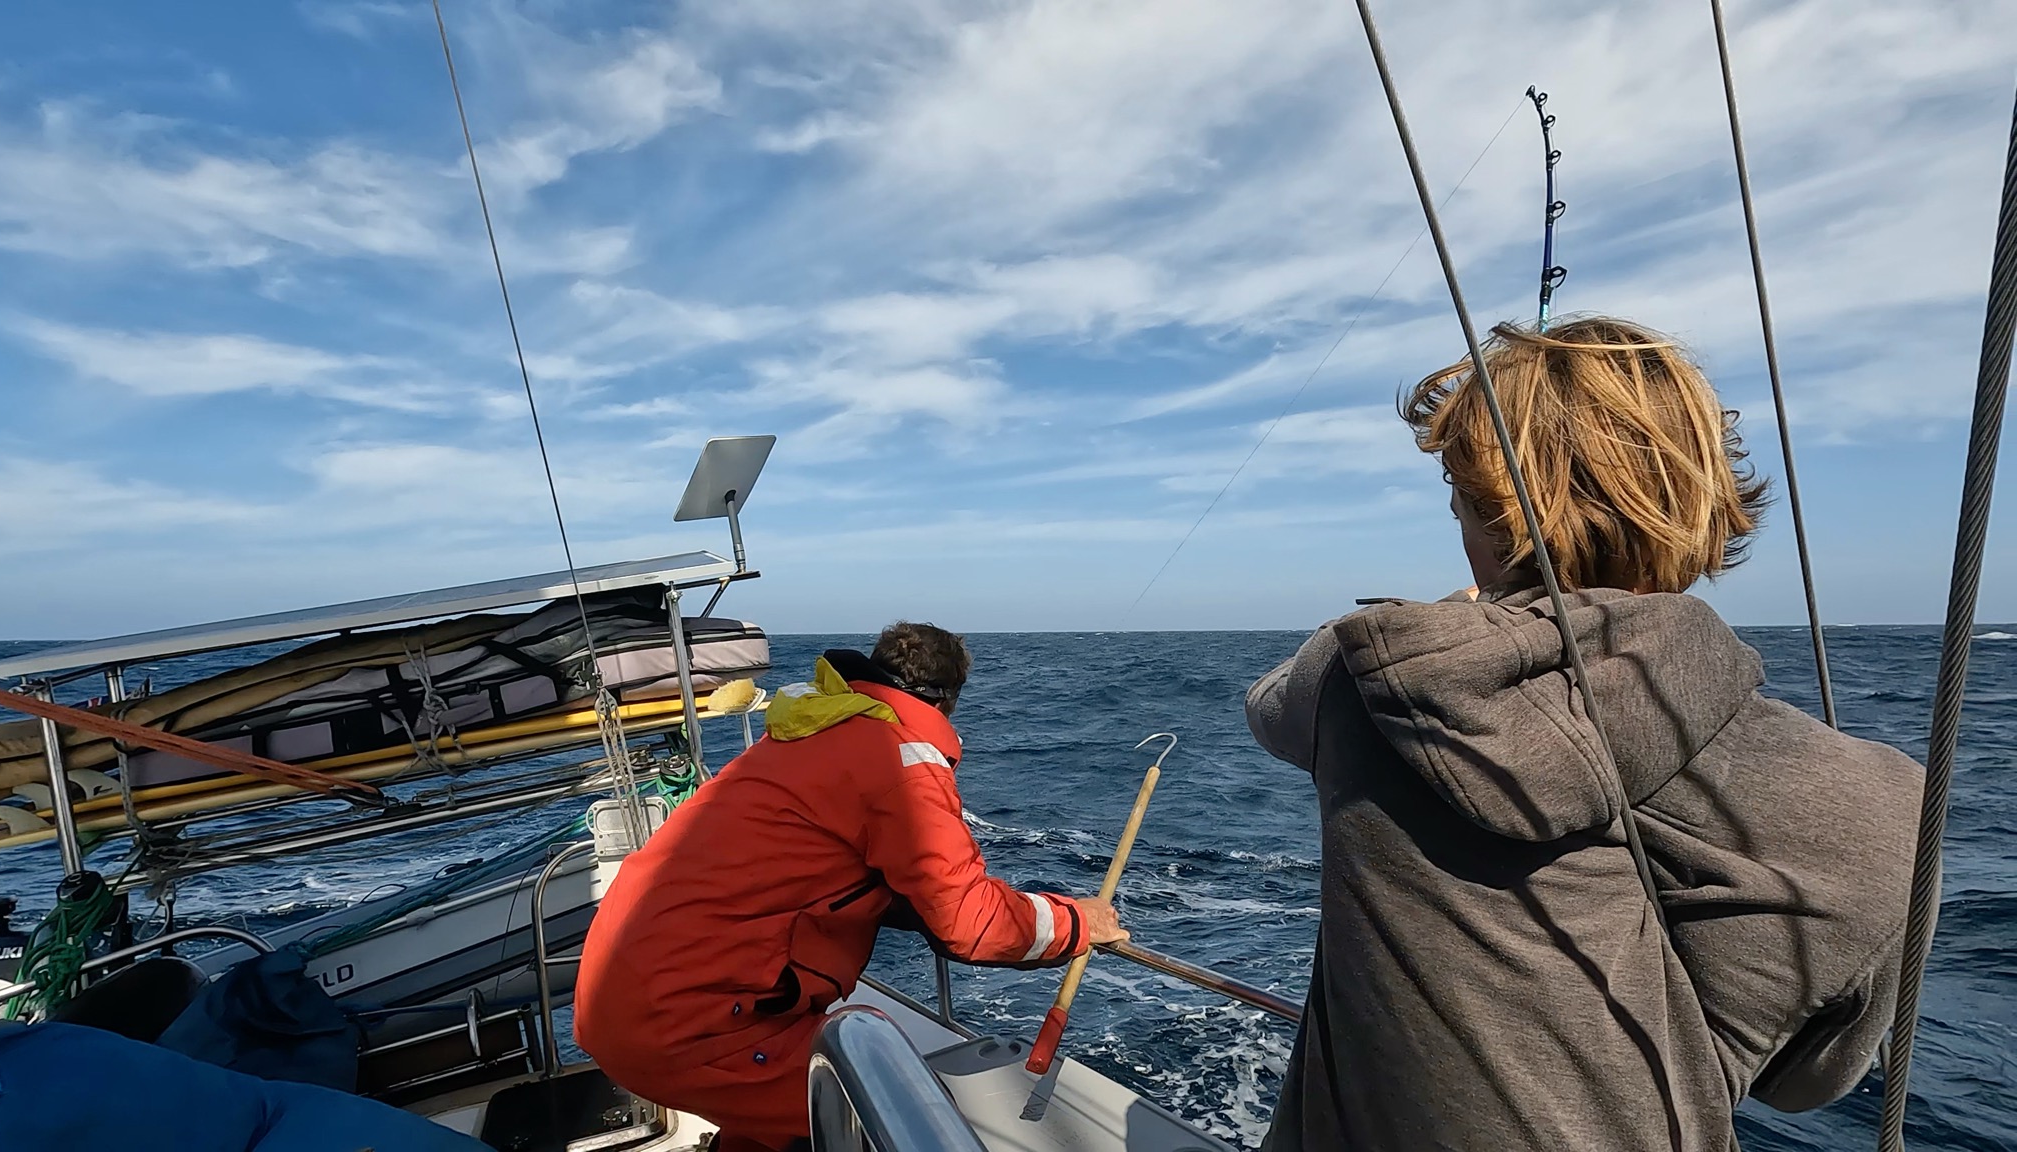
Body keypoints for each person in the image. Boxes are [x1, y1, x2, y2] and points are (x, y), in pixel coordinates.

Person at [1248, 317, 1923, 1151]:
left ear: (1489, 513)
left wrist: (1459, 620)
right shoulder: (1889, 802)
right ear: (1708, 501)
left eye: (1461, 506)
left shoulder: (1363, 679)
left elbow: (1268, 704)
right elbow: (1804, 1083)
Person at [576, 621, 1125, 1152]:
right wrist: (1078, 921)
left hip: (617, 999)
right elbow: (971, 923)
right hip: (689, 1026)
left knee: (783, 1118)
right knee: (905, 1120)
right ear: (946, 700)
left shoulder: (810, 731)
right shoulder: (900, 759)